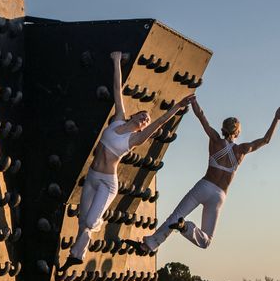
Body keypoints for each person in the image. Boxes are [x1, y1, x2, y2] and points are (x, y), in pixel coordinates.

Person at [64, 51, 194, 268]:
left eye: (146, 121)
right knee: (81, 221)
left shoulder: (134, 139)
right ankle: (76, 255)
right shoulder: (117, 120)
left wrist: (178, 106)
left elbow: (160, 121)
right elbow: (117, 89)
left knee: (90, 220)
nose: (145, 119)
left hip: (107, 183)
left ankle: (92, 229)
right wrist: (116, 61)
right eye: (143, 115)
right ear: (134, 115)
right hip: (93, 177)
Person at [131, 100, 280, 253]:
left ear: (222, 130)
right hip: (219, 195)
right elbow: (266, 140)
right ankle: (186, 228)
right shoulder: (242, 150)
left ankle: (148, 245)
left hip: (204, 186)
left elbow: (201, 116)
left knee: (175, 216)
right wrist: (276, 118)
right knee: (206, 241)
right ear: (237, 132)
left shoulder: (215, 140)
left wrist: (193, 101)